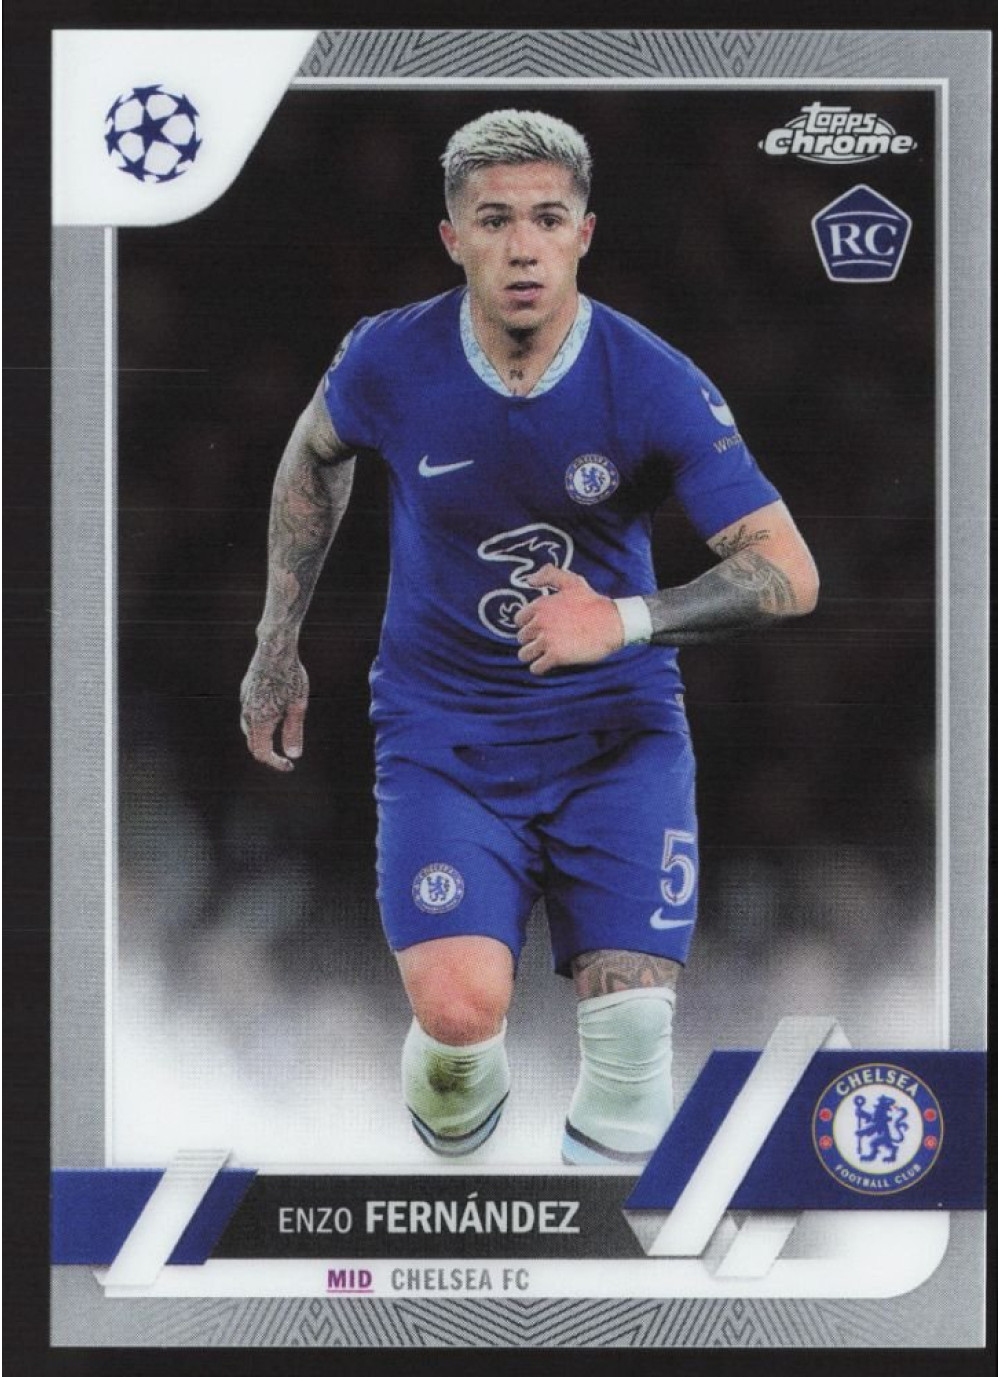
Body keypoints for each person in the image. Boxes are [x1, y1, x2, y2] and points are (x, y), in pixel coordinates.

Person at [240, 109, 819, 1167]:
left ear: (584, 234)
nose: (522, 246)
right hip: (446, 734)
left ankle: (589, 1254)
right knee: (459, 1018)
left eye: (548, 219)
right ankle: (463, 1160)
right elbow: (314, 454)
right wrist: (277, 643)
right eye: (494, 219)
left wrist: (625, 619)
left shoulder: (652, 382)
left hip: (615, 735)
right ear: (452, 237)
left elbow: (788, 571)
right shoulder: (390, 358)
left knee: (633, 1044)